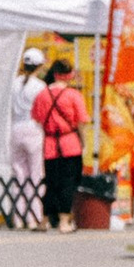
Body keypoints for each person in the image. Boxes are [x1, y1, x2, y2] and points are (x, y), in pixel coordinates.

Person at [33, 60, 90, 233]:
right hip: (70, 143)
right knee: (68, 183)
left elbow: (37, 118)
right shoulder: (73, 95)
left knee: (51, 183)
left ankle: (44, 220)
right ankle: (64, 221)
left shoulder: (42, 95)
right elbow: (81, 122)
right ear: (70, 75)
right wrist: (84, 143)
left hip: (50, 144)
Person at [10, 47, 48, 195]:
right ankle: (34, 213)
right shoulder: (40, 86)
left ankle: (19, 215)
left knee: (18, 173)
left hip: (15, 128)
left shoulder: (14, 83)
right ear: (39, 66)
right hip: (33, 129)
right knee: (35, 173)